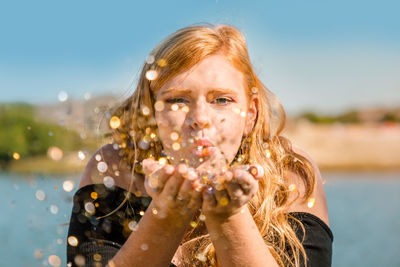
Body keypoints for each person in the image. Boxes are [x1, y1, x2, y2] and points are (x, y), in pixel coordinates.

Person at [67, 24, 333, 267]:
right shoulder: (116, 169)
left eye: (222, 100)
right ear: (151, 113)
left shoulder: (289, 173)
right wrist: (168, 214)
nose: (200, 120)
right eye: (178, 100)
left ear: (250, 114)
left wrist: (228, 215)